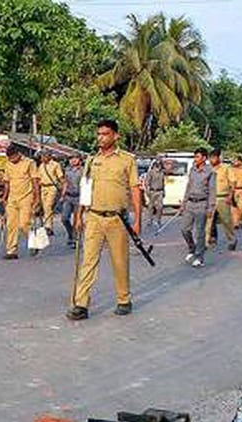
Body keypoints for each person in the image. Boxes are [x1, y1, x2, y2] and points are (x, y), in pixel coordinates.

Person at [67, 119, 140, 321]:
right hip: (94, 217)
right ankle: (81, 304)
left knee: (119, 261)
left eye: (105, 134)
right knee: (88, 261)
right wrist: (80, 214)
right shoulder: (91, 160)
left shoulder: (127, 160)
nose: (100, 138)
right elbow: (86, 187)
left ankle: (124, 299)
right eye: (99, 134)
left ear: (116, 136)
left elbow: (134, 189)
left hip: (117, 219)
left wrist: (138, 220)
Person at [0, 145, 39, 260]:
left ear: (18, 154)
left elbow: (35, 180)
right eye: (9, 158)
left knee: (24, 224)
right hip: (12, 198)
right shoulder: (7, 164)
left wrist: (37, 198)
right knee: (11, 225)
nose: (11, 160)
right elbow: (7, 182)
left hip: (26, 197)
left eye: (13, 157)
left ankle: (33, 243)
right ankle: (11, 250)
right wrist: (4, 197)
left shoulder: (29, 163)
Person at [179, 148, 216, 268]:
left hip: (202, 204)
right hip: (190, 203)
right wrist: (183, 203)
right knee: (184, 229)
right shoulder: (192, 170)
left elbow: (212, 190)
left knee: (200, 232)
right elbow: (188, 187)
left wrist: (210, 207)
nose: (195, 159)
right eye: (195, 157)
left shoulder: (210, 172)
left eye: (198, 157)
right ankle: (192, 248)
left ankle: (199, 257)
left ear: (204, 158)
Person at [205, 149, 236, 251]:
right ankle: (206, 241)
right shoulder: (207, 168)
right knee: (208, 221)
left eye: (213, 158)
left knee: (226, 220)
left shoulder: (226, 168)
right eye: (210, 158)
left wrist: (230, 196)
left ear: (218, 158)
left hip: (222, 197)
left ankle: (232, 239)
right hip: (210, 198)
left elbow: (232, 183)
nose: (211, 160)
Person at [37, 152, 64, 235]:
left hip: (52, 187)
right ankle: (48, 225)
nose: (42, 158)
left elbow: (60, 177)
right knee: (45, 207)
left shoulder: (55, 165)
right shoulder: (41, 166)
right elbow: (38, 177)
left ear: (49, 156)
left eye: (44, 156)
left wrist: (64, 189)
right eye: (41, 157)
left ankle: (48, 226)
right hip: (43, 187)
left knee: (48, 206)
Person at [60, 154, 83, 248]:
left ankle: (75, 239)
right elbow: (65, 182)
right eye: (71, 158)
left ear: (79, 160)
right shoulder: (67, 170)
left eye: (75, 158)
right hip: (68, 197)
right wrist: (62, 195)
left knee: (77, 220)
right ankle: (70, 234)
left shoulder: (83, 171)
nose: (73, 160)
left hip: (79, 197)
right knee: (64, 218)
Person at [144, 159, 166, 229]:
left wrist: (164, 191)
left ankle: (158, 220)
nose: (159, 166)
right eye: (157, 164)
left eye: (160, 164)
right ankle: (149, 221)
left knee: (160, 207)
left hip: (160, 191)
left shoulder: (162, 173)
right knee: (151, 207)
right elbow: (147, 182)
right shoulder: (151, 172)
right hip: (152, 191)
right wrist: (148, 190)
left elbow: (163, 183)